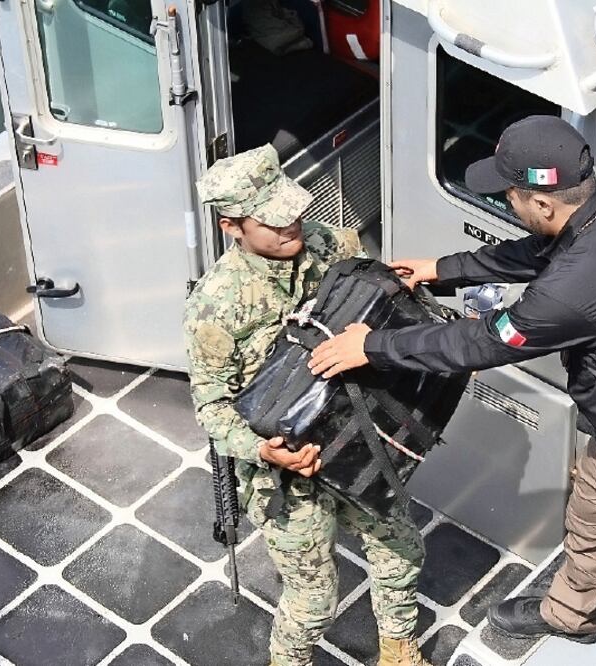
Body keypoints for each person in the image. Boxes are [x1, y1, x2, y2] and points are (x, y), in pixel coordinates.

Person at [308, 116, 596, 666]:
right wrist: (441, 270)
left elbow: (481, 342)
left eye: (510, 195)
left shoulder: (571, 292)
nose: (508, 204)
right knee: (590, 532)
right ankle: (573, 614)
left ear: (541, 202)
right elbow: (539, 253)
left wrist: (373, 346)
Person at [183, 144, 429, 666]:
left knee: (402, 550)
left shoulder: (328, 244)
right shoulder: (216, 306)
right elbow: (211, 407)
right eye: (271, 221)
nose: (289, 225)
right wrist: (263, 451)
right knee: (314, 602)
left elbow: (377, 296)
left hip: (353, 435)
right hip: (286, 469)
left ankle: (397, 652)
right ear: (232, 227)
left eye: (291, 211)